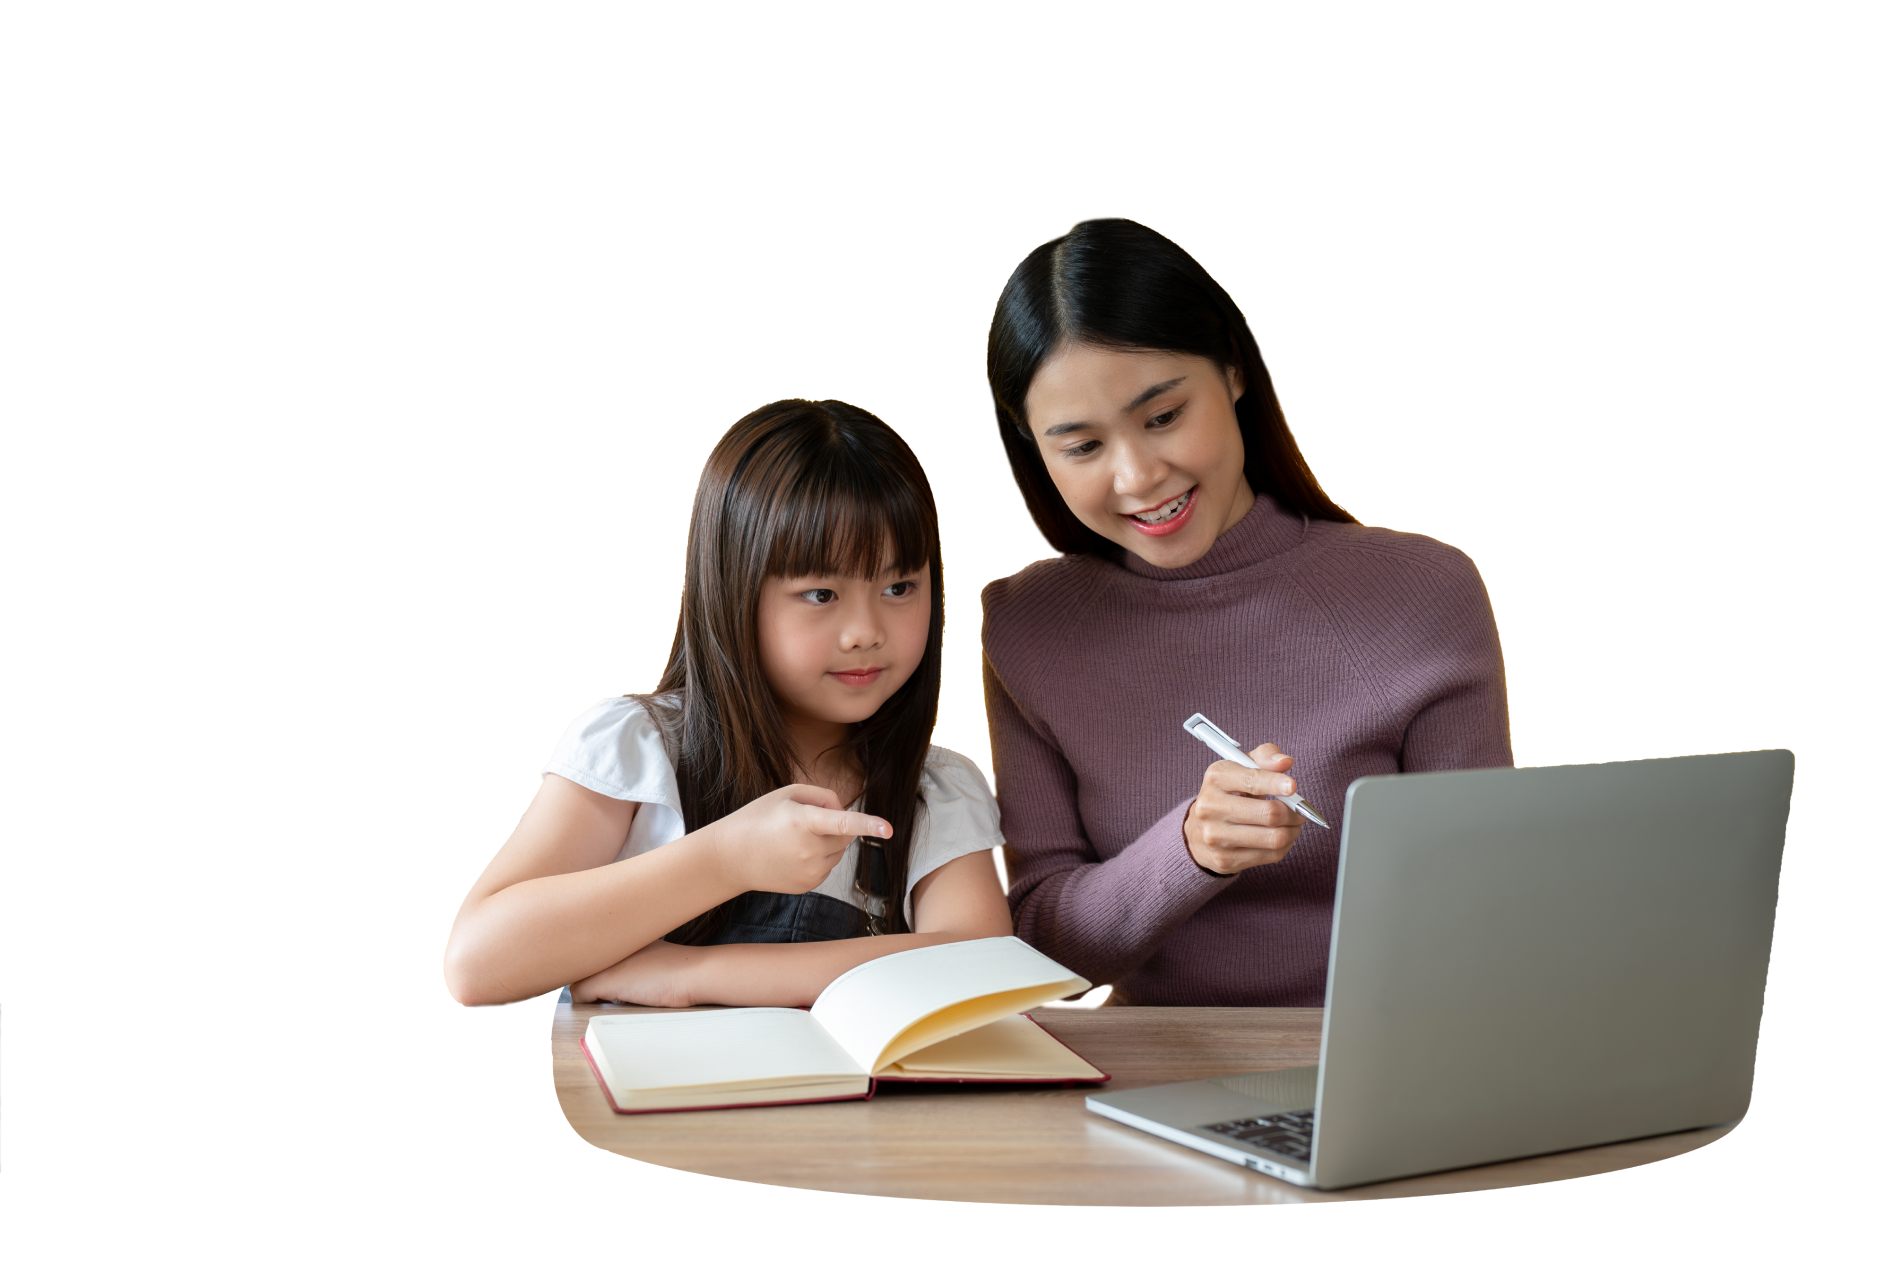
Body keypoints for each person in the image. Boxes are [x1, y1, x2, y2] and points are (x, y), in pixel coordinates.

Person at [981, 218, 1513, 1007]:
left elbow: (1488, 901)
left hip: (1393, 1057)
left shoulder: (1424, 589)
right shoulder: (1026, 623)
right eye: (1082, 447)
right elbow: (1044, 946)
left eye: (1163, 417)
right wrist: (1189, 851)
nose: (1137, 476)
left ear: (1233, 369)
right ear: (1034, 450)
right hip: (1148, 1076)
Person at [444, 400, 1011, 1009]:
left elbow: (982, 966)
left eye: (899, 587)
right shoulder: (638, 748)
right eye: (821, 593)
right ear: (733, 592)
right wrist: (723, 859)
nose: (865, 631)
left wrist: (686, 974)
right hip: (647, 1103)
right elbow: (478, 965)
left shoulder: (936, 789)